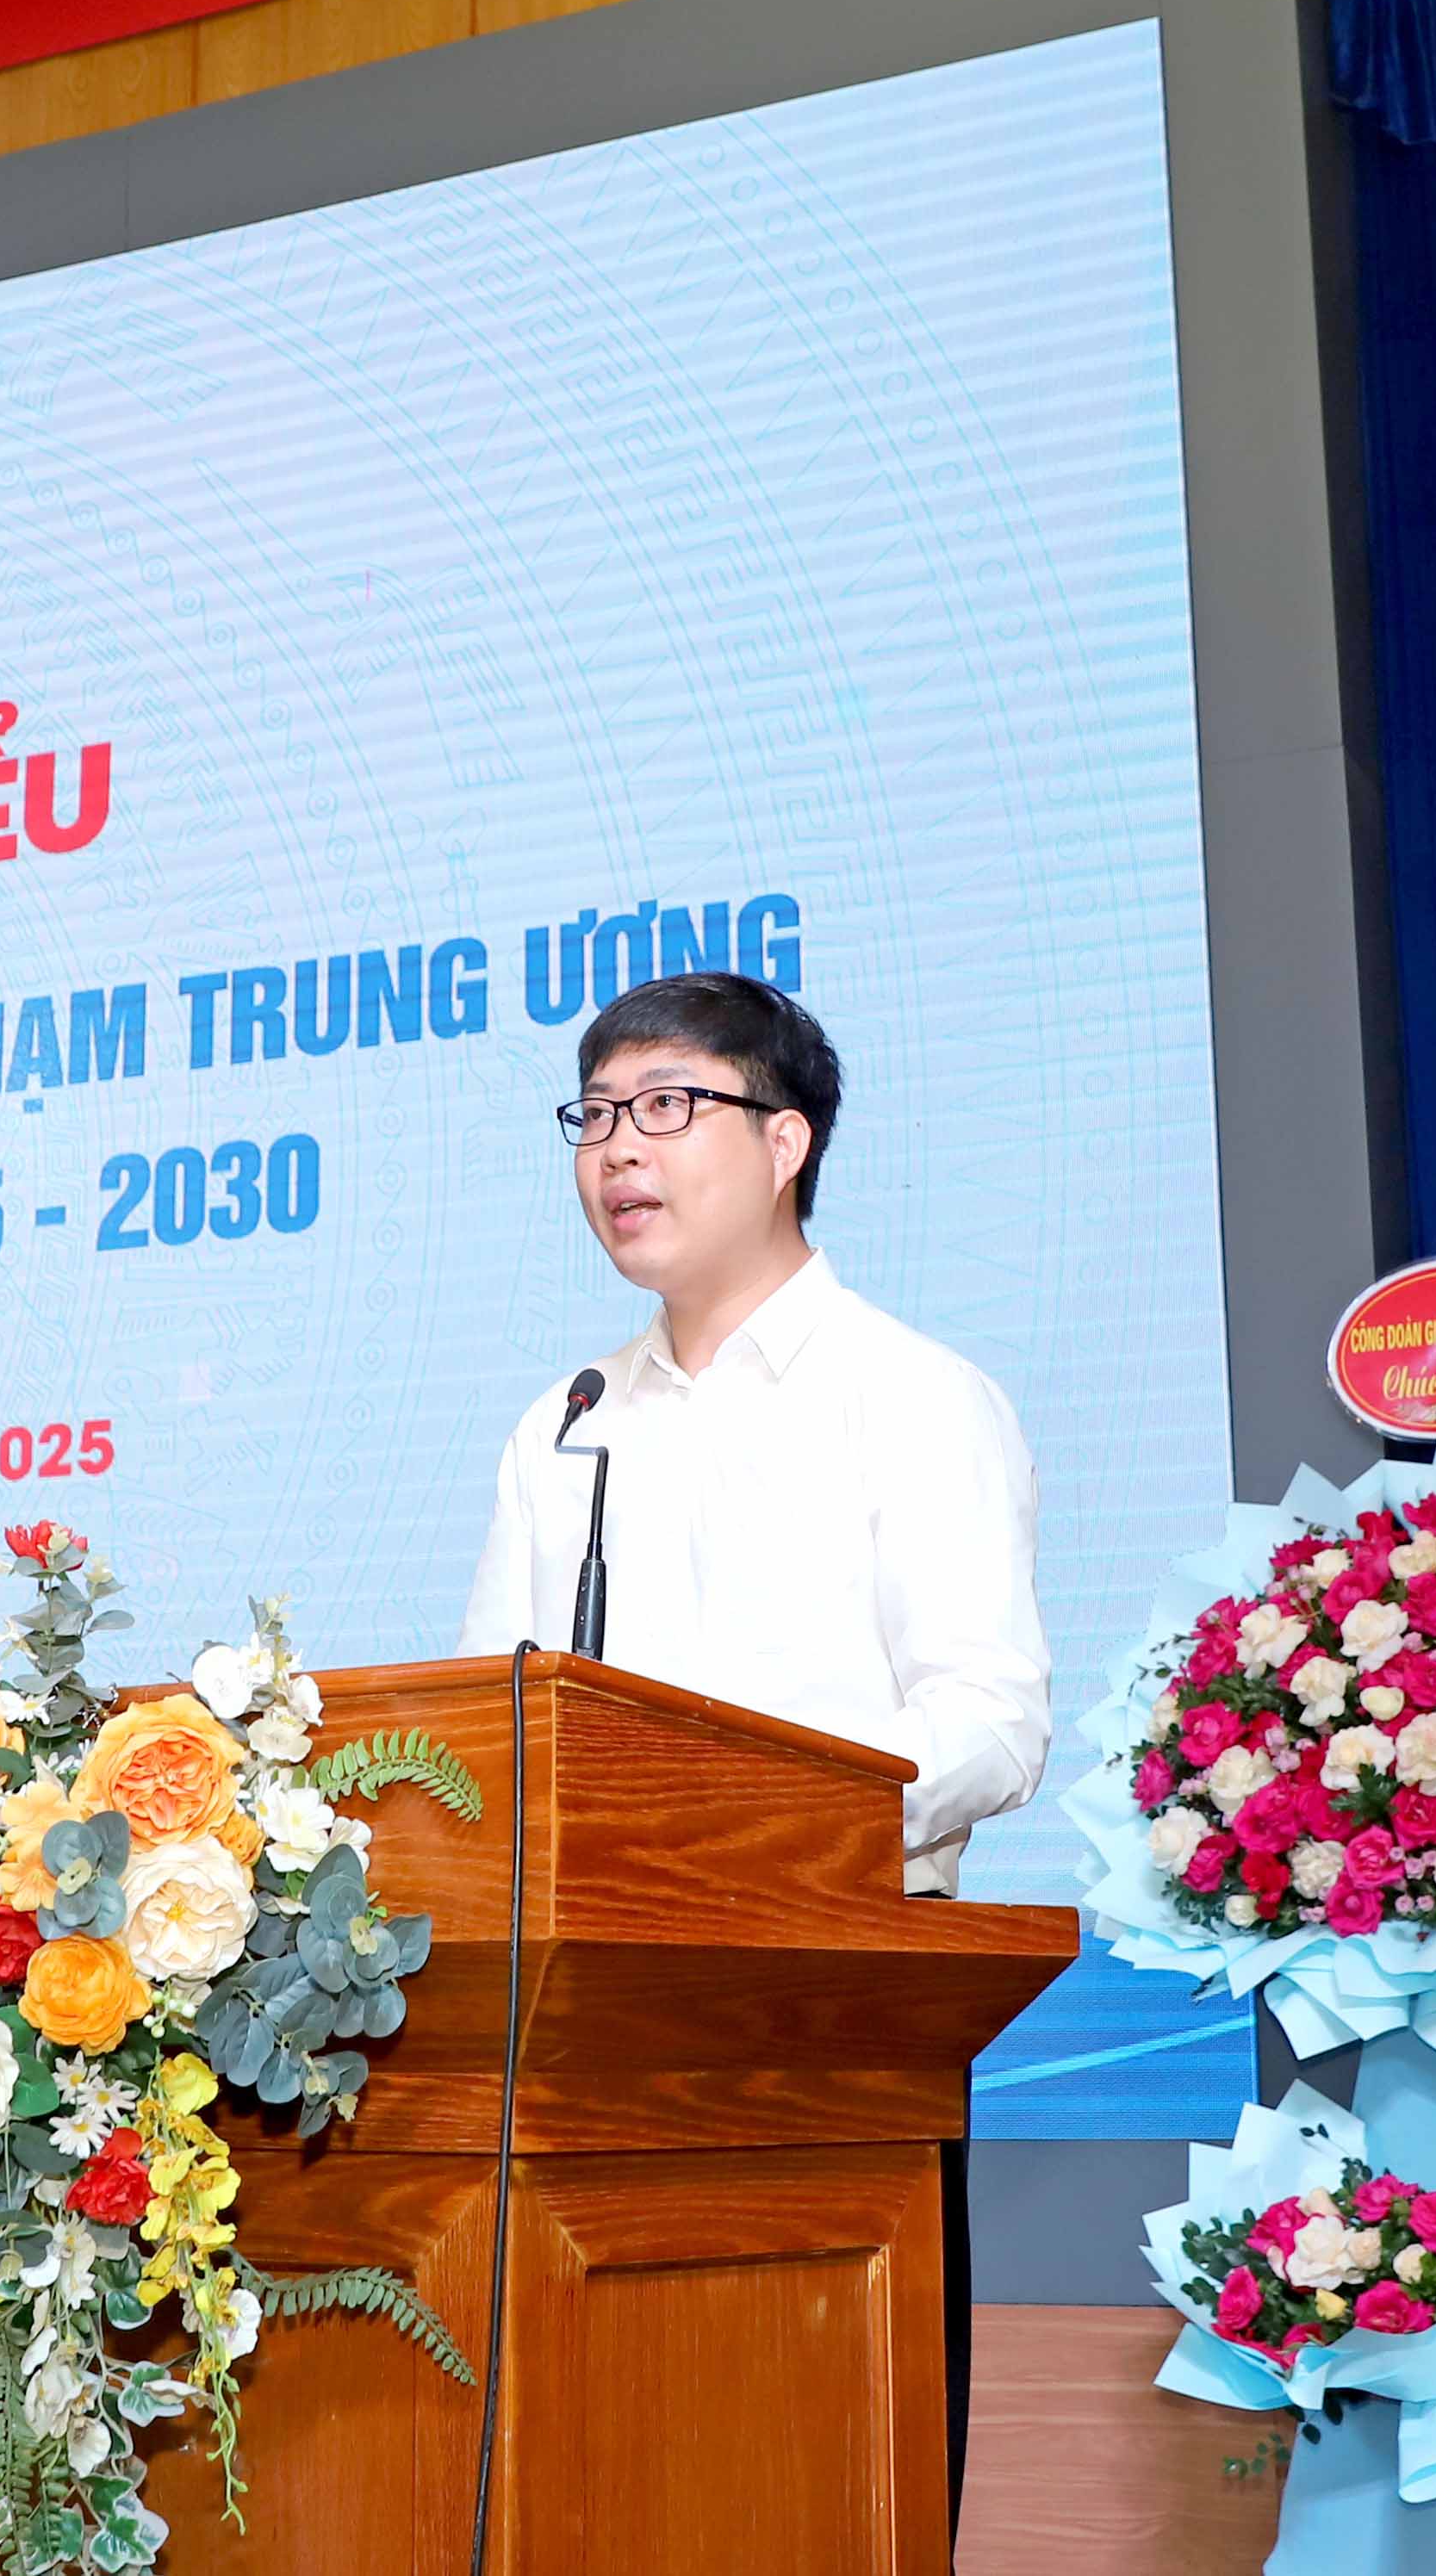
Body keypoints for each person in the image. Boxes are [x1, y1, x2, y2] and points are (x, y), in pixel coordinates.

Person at [455, 968, 1054, 2535]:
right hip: (589, 2031)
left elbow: (992, 1718)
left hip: (828, 2009)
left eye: (666, 1106)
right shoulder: (567, 1424)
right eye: (595, 1114)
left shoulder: (913, 1397)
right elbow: (490, 1735)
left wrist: (751, 1828)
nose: (617, 1149)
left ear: (786, 1141)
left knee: (819, 2490)